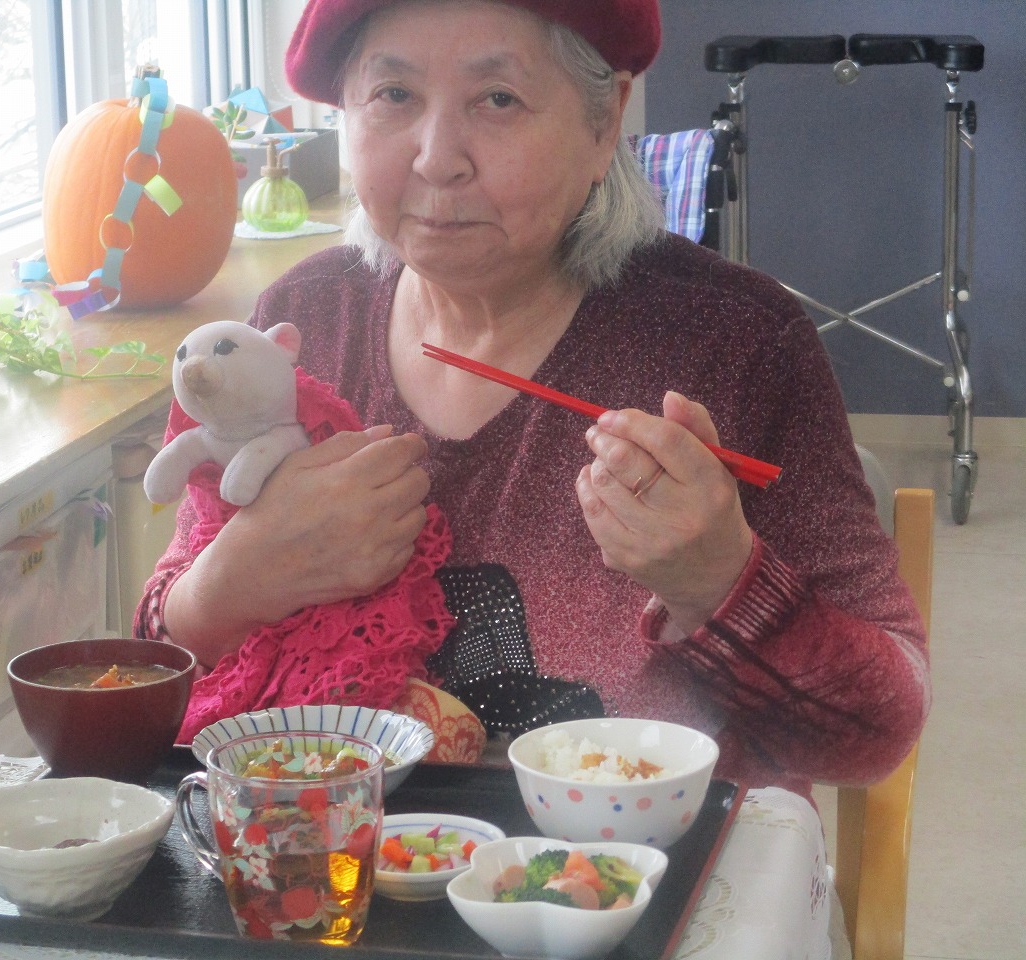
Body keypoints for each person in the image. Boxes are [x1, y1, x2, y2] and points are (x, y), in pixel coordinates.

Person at [136, 0, 928, 800]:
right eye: (394, 95)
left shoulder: (734, 341)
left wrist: (719, 581)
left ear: (603, 123)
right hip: (334, 864)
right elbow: (156, 656)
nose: (437, 159)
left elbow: (878, 733)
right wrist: (236, 579)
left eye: (498, 99)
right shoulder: (293, 330)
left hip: (642, 868)